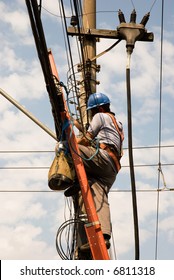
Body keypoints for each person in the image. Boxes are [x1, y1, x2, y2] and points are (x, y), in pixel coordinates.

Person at [65, 92, 124, 251]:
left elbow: (85, 140)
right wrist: (80, 127)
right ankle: (103, 236)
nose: (91, 114)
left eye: (91, 111)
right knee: (99, 197)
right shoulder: (117, 123)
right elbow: (94, 139)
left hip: (103, 159)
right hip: (111, 169)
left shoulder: (100, 117)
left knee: (66, 148)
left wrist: (71, 141)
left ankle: (66, 178)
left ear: (97, 108)